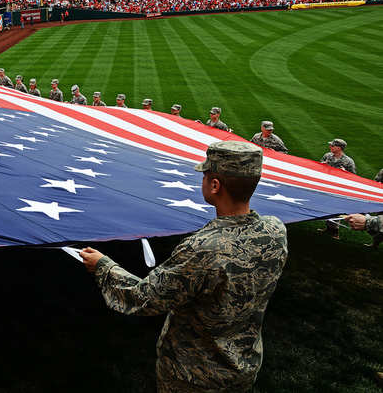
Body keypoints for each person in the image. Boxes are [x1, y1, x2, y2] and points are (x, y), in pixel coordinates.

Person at [80, 141, 288, 393]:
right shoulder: (275, 229)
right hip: (243, 366)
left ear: (215, 185)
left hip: (194, 377)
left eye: (205, 175)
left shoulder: (202, 248)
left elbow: (144, 297)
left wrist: (103, 266)